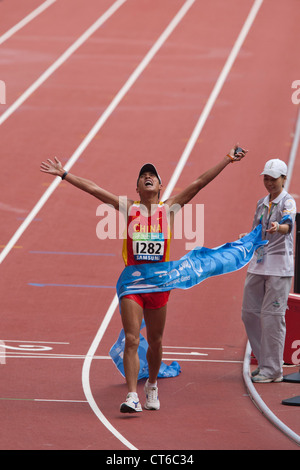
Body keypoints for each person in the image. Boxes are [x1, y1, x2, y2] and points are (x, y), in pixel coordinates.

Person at [40, 145, 247, 412]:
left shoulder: (169, 209)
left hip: (160, 284)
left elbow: (199, 183)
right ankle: (131, 396)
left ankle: (151, 385)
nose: (147, 176)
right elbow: (94, 189)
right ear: (137, 188)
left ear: (160, 186)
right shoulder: (128, 208)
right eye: (142, 175)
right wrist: (65, 174)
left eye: (152, 175)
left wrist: (227, 159)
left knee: (156, 340)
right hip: (132, 284)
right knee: (132, 338)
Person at [240, 159, 297, 383]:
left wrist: (278, 227)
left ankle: (273, 370)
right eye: (266, 178)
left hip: (279, 267)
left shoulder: (288, 201)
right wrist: (244, 241)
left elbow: (288, 224)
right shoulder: (262, 203)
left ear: (283, 179)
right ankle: (264, 361)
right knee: (249, 312)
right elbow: (256, 230)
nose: (269, 182)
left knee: (272, 317)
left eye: (274, 178)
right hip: (259, 263)